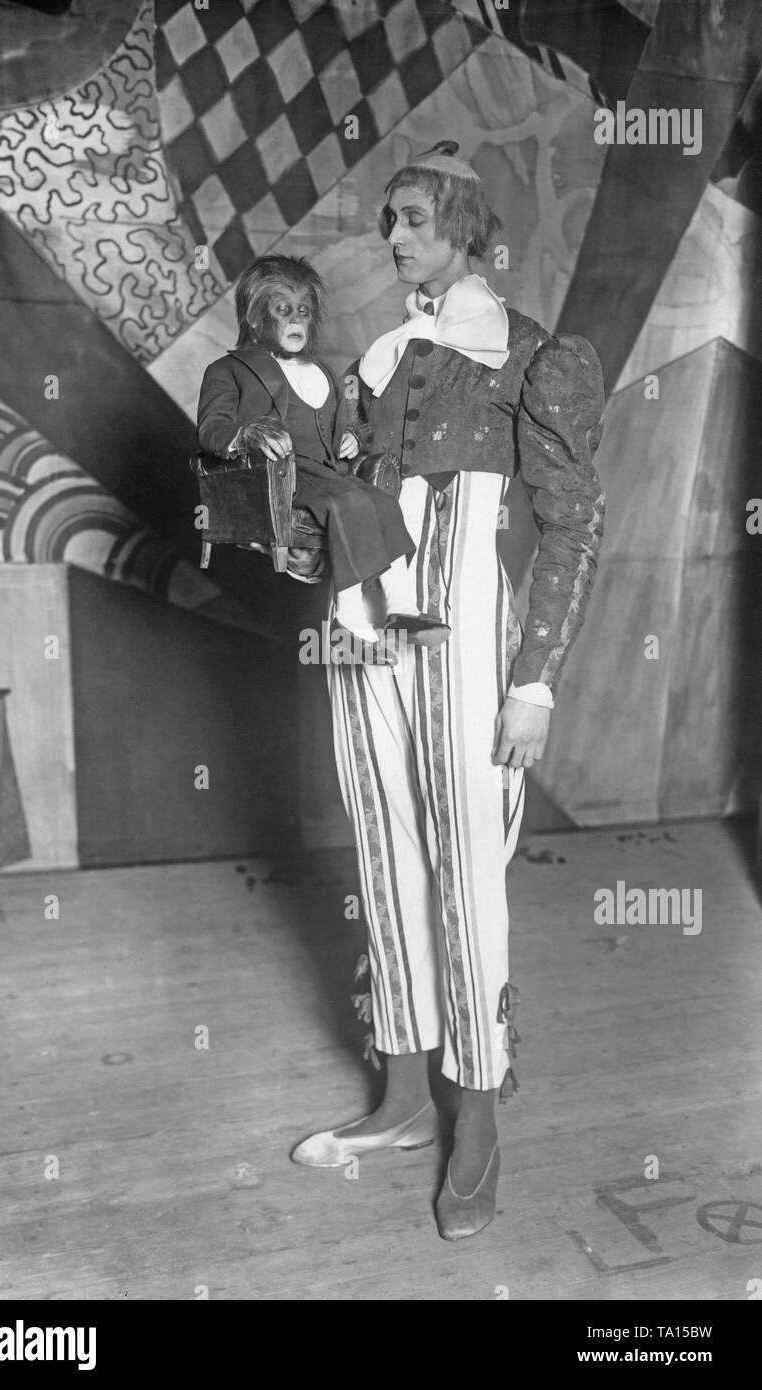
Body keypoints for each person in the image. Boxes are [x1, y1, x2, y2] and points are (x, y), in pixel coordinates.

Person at [287, 142, 606, 1241]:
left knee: (467, 872)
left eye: (414, 217)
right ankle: (405, 1097)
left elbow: (573, 525)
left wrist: (536, 685)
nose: (395, 235)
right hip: (364, 631)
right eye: (390, 219)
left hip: (473, 642)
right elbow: (343, 504)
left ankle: (477, 1120)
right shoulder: (374, 361)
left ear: (466, 228)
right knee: (382, 850)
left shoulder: (533, 357)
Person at [196, 254, 449, 654]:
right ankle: (351, 609)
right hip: (275, 476)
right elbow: (212, 430)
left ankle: (402, 608)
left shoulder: (323, 373)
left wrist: (351, 438)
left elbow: (336, 432)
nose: (296, 321)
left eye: (303, 312)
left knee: (382, 503)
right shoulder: (229, 370)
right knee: (348, 501)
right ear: (257, 318)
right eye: (283, 311)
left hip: (325, 472)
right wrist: (249, 433)